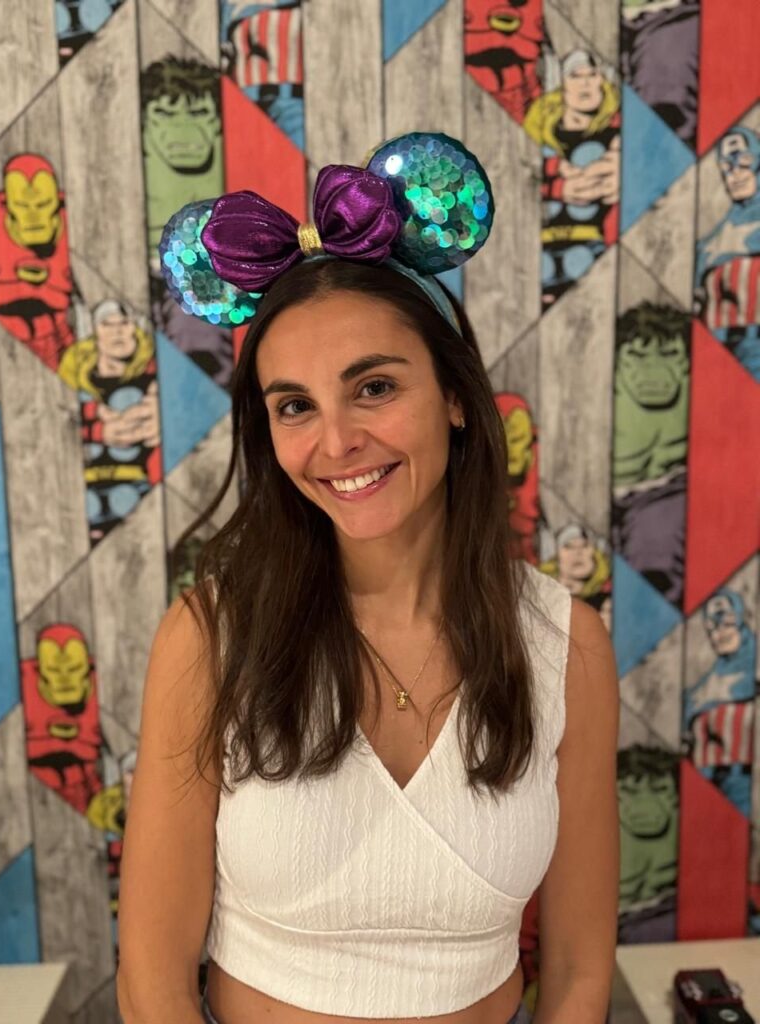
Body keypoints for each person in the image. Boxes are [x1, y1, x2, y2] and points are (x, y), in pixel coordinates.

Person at [117, 132, 619, 1024]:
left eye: (375, 388)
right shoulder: (209, 638)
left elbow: (580, 970)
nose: (337, 441)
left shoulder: (565, 644)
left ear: (455, 397)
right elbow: (152, 980)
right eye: (295, 406)